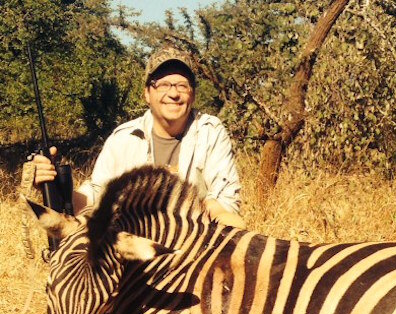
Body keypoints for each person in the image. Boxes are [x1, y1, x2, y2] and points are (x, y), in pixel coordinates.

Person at [32, 46, 244, 227]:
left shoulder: (210, 131)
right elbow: (96, 198)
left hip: (191, 249)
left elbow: (226, 206)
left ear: (193, 95)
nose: (174, 93)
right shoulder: (123, 138)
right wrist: (59, 187)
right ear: (146, 94)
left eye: (182, 85)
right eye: (162, 85)